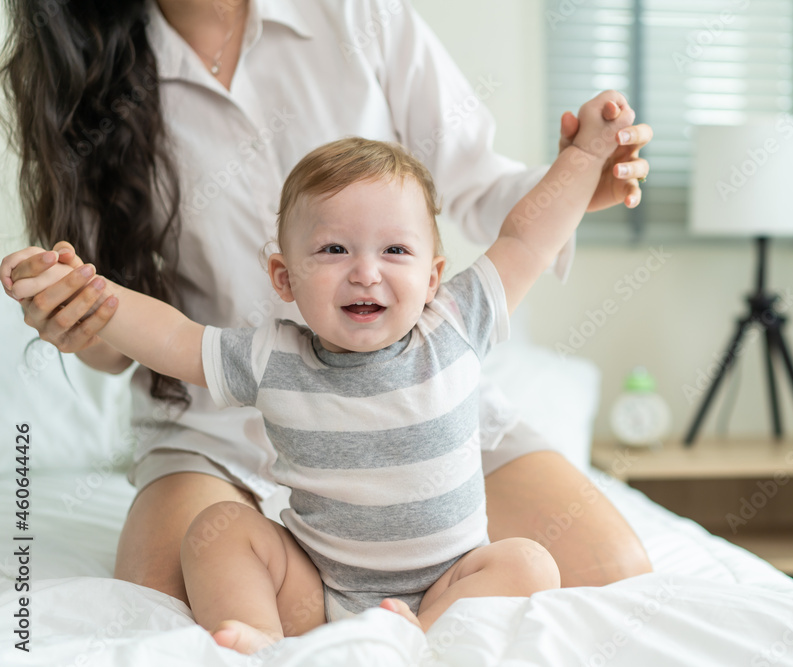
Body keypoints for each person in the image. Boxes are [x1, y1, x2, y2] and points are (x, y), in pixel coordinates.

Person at [0, 0, 654, 609]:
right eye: (337, 250)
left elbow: (506, 215)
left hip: (423, 411)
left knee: (612, 568)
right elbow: (163, 336)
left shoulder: (356, 13)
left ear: (435, 275)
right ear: (281, 277)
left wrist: (579, 175)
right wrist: (82, 308)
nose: (365, 274)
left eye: (395, 253)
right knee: (164, 596)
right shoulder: (85, 75)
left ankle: (406, 630)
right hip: (215, 424)